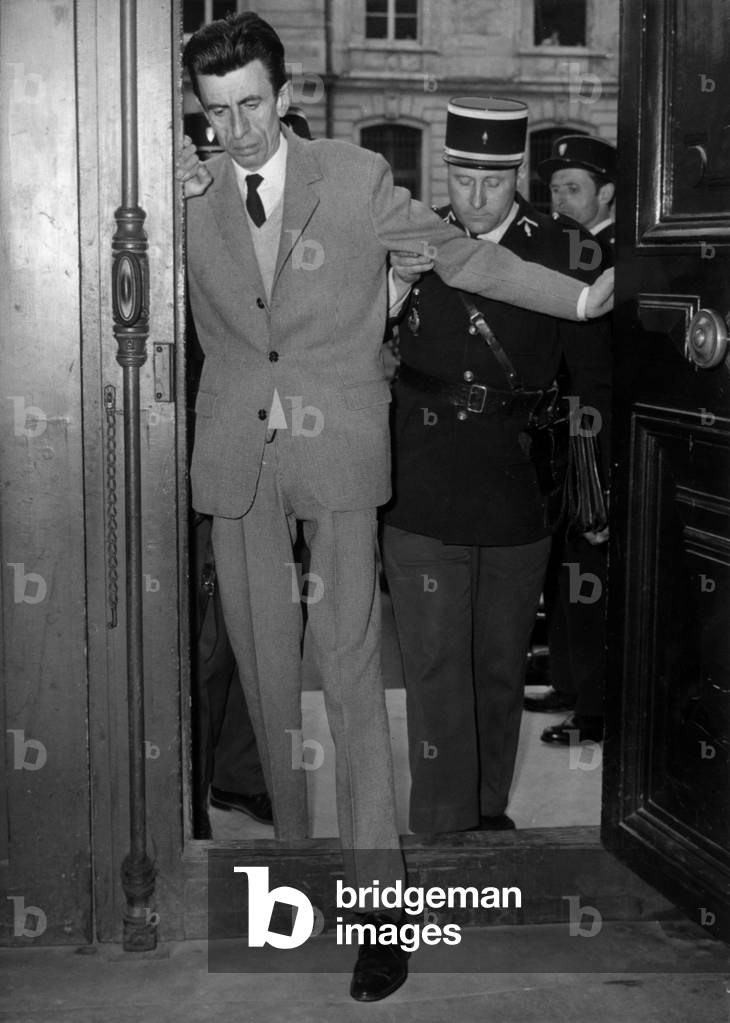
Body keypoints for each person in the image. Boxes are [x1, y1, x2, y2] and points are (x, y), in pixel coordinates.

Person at [177, 12, 612, 1001]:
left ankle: (379, 909)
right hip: (239, 460)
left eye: (251, 105)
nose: (237, 129)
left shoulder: (356, 177)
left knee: (351, 681)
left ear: (285, 95)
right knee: (264, 679)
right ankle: (293, 879)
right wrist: (164, 179)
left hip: (336, 452)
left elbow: (463, 256)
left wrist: (583, 300)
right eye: (216, 113)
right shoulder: (186, 193)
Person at [381, 98, 612, 834]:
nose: (476, 198)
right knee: (434, 665)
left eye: (493, 181)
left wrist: (598, 489)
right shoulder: (411, 237)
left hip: (519, 487)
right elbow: (350, 341)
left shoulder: (566, 248)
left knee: (500, 664)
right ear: (445, 168)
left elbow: (593, 380)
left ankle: (485, 812)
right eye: (462, 178)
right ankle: (443, 824)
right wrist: (393, 288)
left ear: (518, 174)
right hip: (420, 482)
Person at [524, 135, 616, 744]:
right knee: (564, 562)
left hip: (593, 430)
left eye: (573, 187)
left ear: (606, 193)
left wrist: (601, 464)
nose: (559, 198)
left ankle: (595, 709)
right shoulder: (569, 250)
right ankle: (567, 679)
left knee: (591, 569)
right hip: (563, 427)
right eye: (554, 188)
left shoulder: (617, 255)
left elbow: (606, 370)